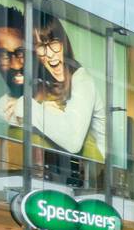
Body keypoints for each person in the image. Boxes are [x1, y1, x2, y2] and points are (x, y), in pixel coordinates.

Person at [25, 12, 107, 160]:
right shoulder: (45, 85)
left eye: (53, 43)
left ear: (63, 42)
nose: (50, 54)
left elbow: (73, 142)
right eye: (41, 46)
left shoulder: (82, 79)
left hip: (96, 172)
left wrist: (36, 110)